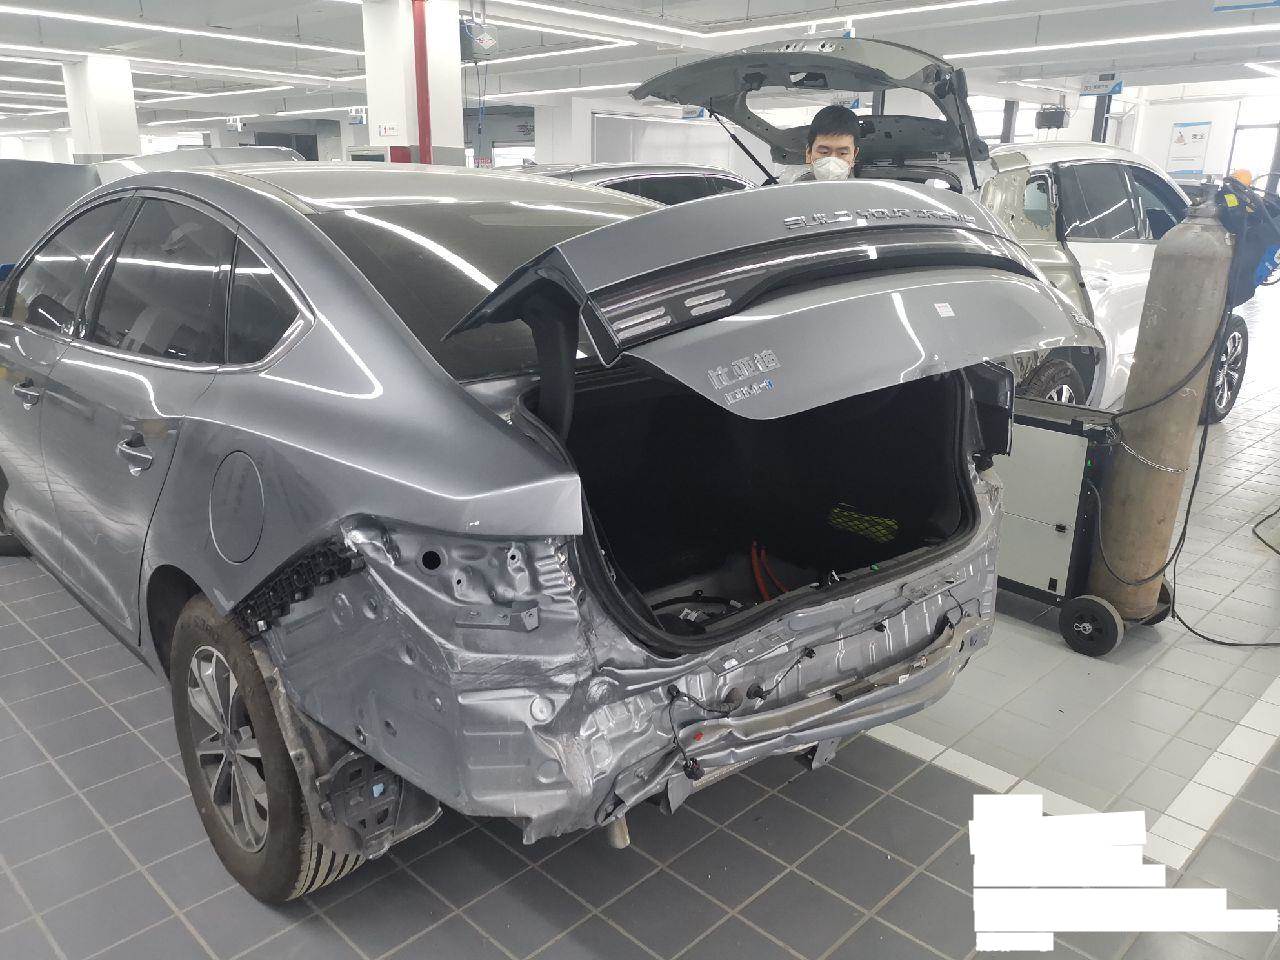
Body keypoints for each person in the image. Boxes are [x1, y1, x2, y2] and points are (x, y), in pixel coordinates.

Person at [796, 104, 860, 181]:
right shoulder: (793, 188)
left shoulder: (865, 189)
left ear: (854, 155)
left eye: (842, 153)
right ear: (808, 153)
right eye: (824, 152)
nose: (831, 164)